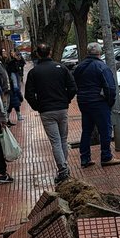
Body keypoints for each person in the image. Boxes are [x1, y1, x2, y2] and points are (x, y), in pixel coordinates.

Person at [25, 43, 77, 183]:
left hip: (46, 111)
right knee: (63, 140)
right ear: (50, 52)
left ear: (37, 54)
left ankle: (63, 170)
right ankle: (63, 167)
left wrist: (37, 106)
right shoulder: (61, 68)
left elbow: (28, 94)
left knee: (55, 141)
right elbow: (72, 87)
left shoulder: (34, 72)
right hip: (61, 108)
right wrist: (66, 100)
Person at [73, 43, 120, 168]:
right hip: (98, 102)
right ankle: (106, 157)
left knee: (87, 130)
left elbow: (75, 83)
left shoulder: (79, 67)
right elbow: (110, 87)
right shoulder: (101, 66)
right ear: (100, 53)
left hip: (83, 101)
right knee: (105, 129)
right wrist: (109, 102)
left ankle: (85, 158)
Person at [6, 51, 25, 125]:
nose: (19, 57)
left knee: (14, 104)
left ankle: (13, 117)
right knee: (12, 104)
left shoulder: (19, 62)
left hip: (14, 90)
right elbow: (16, 87)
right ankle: (8, 118)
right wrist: (20, 96)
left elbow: (22, 64)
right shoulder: (12, 64)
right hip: (13, 91)